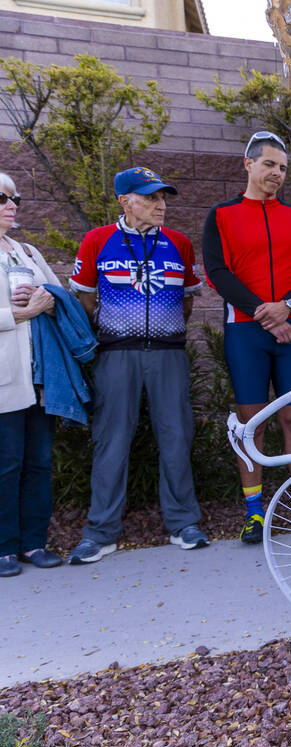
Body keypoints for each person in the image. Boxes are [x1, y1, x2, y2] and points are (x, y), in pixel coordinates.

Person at [66, 167, 208, 564]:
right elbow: (85, 301)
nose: (161, 205)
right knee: (111, 440)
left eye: (163, 198)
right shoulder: (97, 241)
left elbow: (187, 300)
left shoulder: (179, 243)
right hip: (115, 354)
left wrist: (166, 330)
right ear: (125, 201)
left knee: (176, 436)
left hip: (168, 354)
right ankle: (100, 532)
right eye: (150, 198)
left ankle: (183, 524)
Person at [203, 131, 291, 544]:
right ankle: (255, 512)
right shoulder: (221, 216)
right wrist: (268, 315)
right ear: (248, 164)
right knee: (249, 423)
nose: (277, 173)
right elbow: (219, 273)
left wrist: (286, 306)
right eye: (270, 164)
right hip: (246, 331)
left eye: (283, 168)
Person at [0, 172, 65, 576]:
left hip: (39, 375)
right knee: (5, 464)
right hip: (5, 377)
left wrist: (44, 300)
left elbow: (60, 298)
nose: (11, 206)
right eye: (2, 199)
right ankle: (4, 548)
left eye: (14, 199)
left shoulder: (26, 251)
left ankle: (34, 543)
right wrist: (18, 314)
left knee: (39, 462)